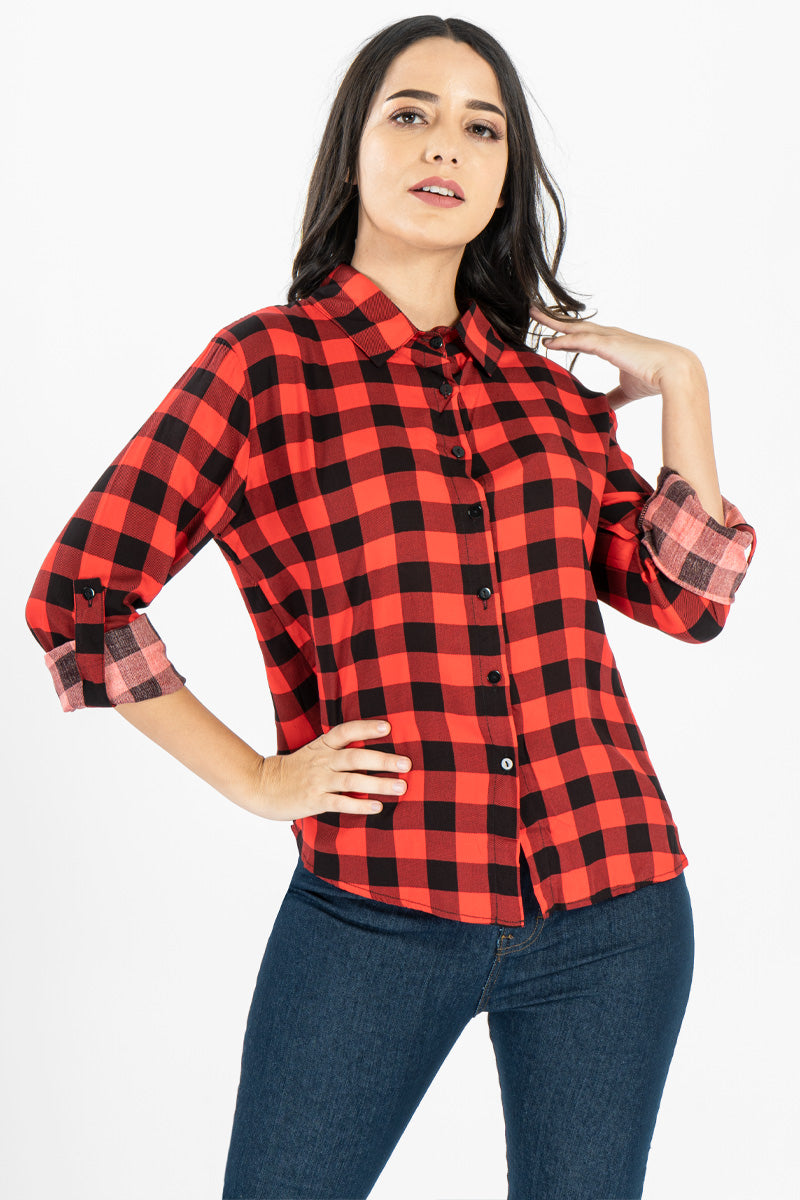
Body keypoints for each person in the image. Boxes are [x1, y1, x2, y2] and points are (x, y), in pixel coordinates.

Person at [24, 15, 757, 1200]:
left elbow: (685, 602)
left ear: (504, 178)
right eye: (409, 113)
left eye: (481, 127)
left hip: (614, 901)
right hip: (377, 907)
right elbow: (79, 596)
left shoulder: (543, 396)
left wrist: (682, 384)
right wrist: (256, 779)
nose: (444, 145)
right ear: (353, 149)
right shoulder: (265, 368)